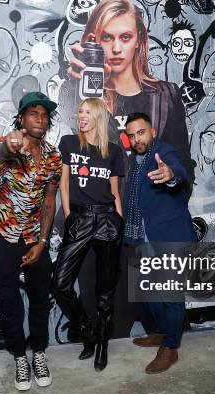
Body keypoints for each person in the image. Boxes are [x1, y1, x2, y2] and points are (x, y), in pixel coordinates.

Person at [60, 0, 194, 194]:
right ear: (94, 40)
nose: (116, 48)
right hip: (98, 216)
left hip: (146, 216)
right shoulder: (80, 93)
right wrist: (78, 86)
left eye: (125, 37)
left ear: (139, 39)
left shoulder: (165, 96)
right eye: (106, 37)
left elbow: (184, 168)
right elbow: (71, 150)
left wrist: (172, 177)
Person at [0, 92, 62, 391]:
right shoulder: (9, 144)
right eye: (33, 113)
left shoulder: (53, 156)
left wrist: (42, 242)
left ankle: (39, 352)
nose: (40, 119)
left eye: (44, 115)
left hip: (35, 237)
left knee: (40, 299)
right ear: (21, 117)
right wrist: (8, 144)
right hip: (5, 234)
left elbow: (49, 201)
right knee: (8, 299)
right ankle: (20, 356)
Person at [53, 98, 125, 371]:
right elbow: (63, 183)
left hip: (108, 219)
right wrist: (70, 215)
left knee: (105, 291)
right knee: (60, 284)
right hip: (80, 219)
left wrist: (119, 223)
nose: (81, 115)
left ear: (98, 116)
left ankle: (102, 344)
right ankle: (88, 332)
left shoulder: (114, 152)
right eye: (79, 111)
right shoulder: (69, 144)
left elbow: (115, 191)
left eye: (86, 112)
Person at [124, 112, 197, 374]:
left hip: (169, 236)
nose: (136, 139)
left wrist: (171, 175)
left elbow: (177, 172)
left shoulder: (163, 151)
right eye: (131, 135)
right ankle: (161, 332)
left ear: (152, 131)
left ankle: (171, 347)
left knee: (171, 296)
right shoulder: (136, 161)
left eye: (141, 132)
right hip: (144, 237)